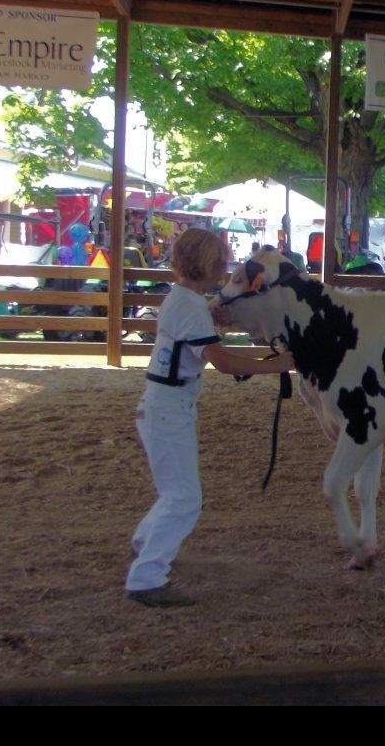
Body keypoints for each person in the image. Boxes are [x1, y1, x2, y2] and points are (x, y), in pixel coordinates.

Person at [125, 228, 296, 608]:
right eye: (220, 264)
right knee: (184, 498)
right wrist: (280, 364)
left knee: (177, 493)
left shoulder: (184, 300)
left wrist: (212, 311)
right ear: (204, 265)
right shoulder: (189, 307)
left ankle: (144, 544)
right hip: (169, 406)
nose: (223, 271)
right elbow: (221, 361)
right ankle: (146, 578)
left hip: (167, 404)